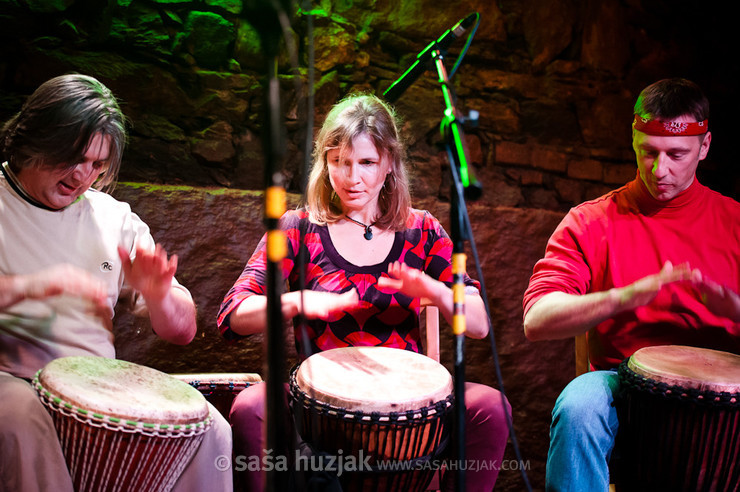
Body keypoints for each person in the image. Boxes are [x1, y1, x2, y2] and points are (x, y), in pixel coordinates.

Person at [218, 93, 511, 491]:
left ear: (389, 163)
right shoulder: (296, 228)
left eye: (367, 163)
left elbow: (477, 324)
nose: (352, 178)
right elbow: (232, 315)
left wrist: (437, 293)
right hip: (320, 410)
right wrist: (296, 301)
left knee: (491, 407)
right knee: (252, 407)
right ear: (325, 163)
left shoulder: (422, 230)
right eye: (339, 162)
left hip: (410, 410)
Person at [0, 74, 232, 492]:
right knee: (20, 414)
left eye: (96, 164)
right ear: (33, 138)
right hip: (12, 379)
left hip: (96, 389)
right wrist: (33, 286)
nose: (82, 176)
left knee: (210, 427)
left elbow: (183, 331)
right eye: (71, 157)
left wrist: (160, 296)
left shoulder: (113, 217)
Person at [522, 78, 740, 491]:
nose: (661, 170)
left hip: (730, 395)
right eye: (648, 153)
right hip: (624, 386)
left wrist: (732, 308)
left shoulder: (735, 222)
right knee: (579, 406)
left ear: (705, 146)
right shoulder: (591, 221)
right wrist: (624, 297)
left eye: (677, 155)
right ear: (634, 141)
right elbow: (537, 320)